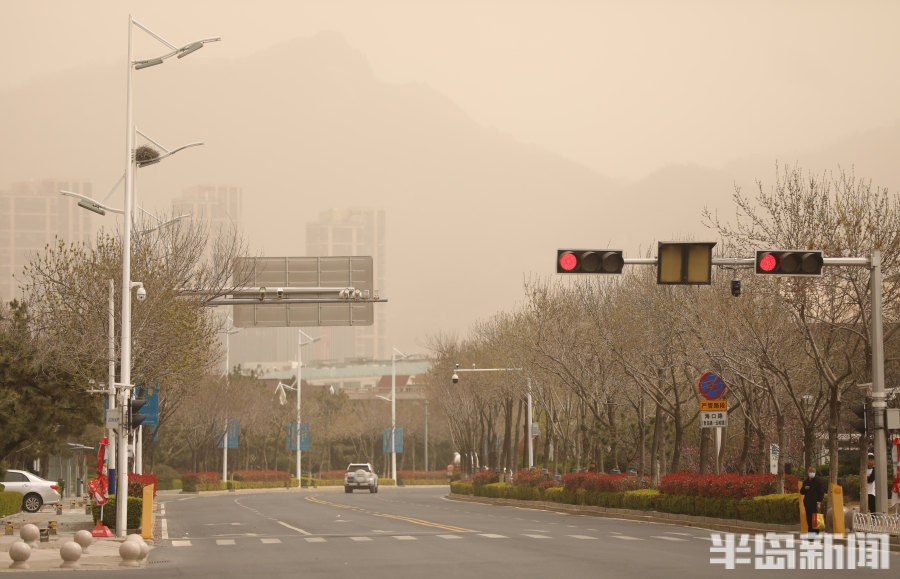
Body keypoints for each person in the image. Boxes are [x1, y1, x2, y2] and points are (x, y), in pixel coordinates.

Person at [800, 466, 825, 535]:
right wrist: (805, 488)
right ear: (808, 472)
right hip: (807, 502)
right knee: (808, 517)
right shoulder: (806, 481)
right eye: (810, 472)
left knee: (815, 517)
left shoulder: (818, 481)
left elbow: (821, 492)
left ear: (815, 472)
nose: (812, 473)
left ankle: (816, 532)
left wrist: (819, 502)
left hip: (815, 502)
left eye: (813, 472)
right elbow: (801, 492)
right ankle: (810, 532)